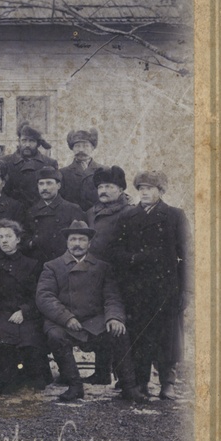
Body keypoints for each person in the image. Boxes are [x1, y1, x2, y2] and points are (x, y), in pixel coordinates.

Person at [36, 220, 146, 403]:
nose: (77, 244)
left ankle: (129, 387)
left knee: (119, 332)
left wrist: (114, 318)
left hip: (93, 320)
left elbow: (112, 297)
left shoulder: (102, 267)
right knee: (55, 336)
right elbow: (44, 297)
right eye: (73, 239)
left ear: (89, 243)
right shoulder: (52, 266)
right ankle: (74, 386)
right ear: (67, 242)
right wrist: (66, 318)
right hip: (63, 320)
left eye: (82, 239)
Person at [111, 171, 193, 400]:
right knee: (140, 336)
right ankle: (142, 383)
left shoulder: (175, 216)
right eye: (141, 188)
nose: (144, 192)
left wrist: (187, 289)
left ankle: (168, 383)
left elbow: (188, 255)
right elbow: (115, 250)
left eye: (149, 188)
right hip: (136, 290)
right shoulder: (127, 216)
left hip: (167, 288)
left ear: (161, 191)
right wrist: (134, 259)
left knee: (168, 337)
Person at [0, 219, 50, 395]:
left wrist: (24, 310)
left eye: (8, 236)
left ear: (18, 239)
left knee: (29, 338)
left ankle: (30, 380)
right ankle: (8, 382)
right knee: (1, 338)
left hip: (24, 313)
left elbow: (37, 295)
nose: (4, 241)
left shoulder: (31, 264)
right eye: (0, 237)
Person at [83, 165, 136, 385]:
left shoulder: (130, 212)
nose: (103, 191)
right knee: (99, 321)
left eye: (109, 186)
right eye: (100, 187)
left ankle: (125, 377)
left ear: (121, 189)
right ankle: (101, 371)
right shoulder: (91, 212)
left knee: (120, 324)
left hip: (122, 276)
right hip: (96, 274)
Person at [25, 167, 86, 263]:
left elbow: (81, 238)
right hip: (38, 262)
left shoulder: (72, 209)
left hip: (63, 263)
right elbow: (24, 237)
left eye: (49, 183)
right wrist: (31, 243)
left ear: (58, 185)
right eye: (41, 184)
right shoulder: (32, 211)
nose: (44, 188)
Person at [0, 122, 58, 207]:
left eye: (32, 141)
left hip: (39, 211)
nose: (27, 145)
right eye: (24, 140)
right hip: (11, 210)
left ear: (38, 144)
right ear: (19, 141)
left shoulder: (49, 163)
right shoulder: (5, 161)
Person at [59, 128, 104, 210]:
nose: (81, 150)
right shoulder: (63, 173)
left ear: (92, 147)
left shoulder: (103, 170)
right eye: (77, 146)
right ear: (72, 148)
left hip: (98, 214)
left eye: (86, 146)